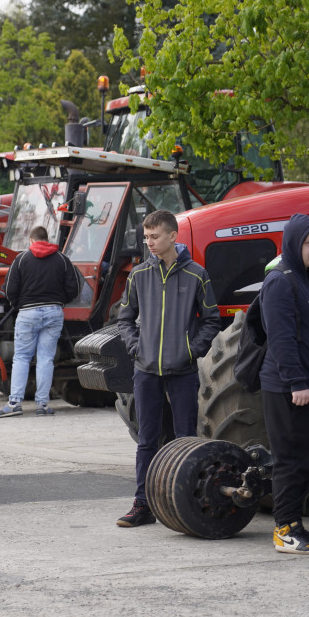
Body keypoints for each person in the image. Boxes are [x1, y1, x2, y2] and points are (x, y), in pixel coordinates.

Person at [115, 209, 221, 527]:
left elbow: (212, 319)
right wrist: (137, 349)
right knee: (147, 440)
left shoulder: (196, 275)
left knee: (184, 437)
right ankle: (143, 505)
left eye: (155, 236)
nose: (149, 242)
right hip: (146, 371)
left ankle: (183, 502)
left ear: (173, 236)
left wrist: (191, 351)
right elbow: (124, 319)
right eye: (146, 236)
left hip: (183, 371)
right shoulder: (138, 275)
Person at [259, 214, 309, 554]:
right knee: (291, 460)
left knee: (305, 460)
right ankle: (284, 530)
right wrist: (296, 382)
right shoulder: (281, 282)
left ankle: (296, 526)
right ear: (292, 243)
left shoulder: (306, 281)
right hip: (290, 388)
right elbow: (281, 339)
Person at [0, 225, 80, 417]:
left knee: (22, 357)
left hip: (27, 313)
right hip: (54, 311)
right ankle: (42, 405)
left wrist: (18, 304)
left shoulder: (21, 259)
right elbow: (73, 287)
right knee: (46, 358)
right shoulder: (62, 259)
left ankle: (15, 403)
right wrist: (60, 302)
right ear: (47, 240)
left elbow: (9, 289)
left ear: (31, 241)